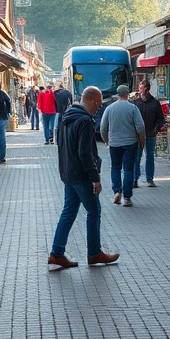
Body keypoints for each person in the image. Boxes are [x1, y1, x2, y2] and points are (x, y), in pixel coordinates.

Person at [47, 86, 119, 270]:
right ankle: (94, 253)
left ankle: (56, 253)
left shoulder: (66, 116)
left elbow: (61, 145)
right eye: (99, 104)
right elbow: (85, 153)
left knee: (69, 211)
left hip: (68, 172)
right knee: (94, 210)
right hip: (81, 175)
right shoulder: (85, 121)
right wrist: (95, 178)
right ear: (94, 101)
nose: (99, 108)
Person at [99, 84, 145, 207]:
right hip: (130, 142)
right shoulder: (133, 108)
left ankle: (117, 191)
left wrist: (106, 140)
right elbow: (140, 127)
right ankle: (127, 197)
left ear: (118, 94)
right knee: (129, 169)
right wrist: (142, 142)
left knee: (115, 168)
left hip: (114, 143)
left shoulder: (110, 108)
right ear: (128, 94)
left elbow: (103, 127)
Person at [132, 79, 166, 187]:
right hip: (137, 135)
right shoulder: (135, 103)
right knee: (137, 157)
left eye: (141, 88)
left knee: (150, 156)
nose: (139, 90)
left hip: (150, 133)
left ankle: (149, 179)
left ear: (146, 89)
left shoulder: (155, 103)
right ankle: (135, 179)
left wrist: (157, 128)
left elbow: (161, 119)